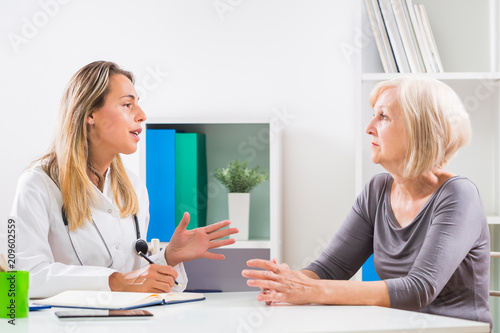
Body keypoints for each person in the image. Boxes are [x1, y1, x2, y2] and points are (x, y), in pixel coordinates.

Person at [242, 76, 492, 327]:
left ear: (419, 129)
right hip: (395, 327)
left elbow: (418, 289)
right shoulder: (378, 190)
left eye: (383, 116)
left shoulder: (459, 195)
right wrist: (286, 283)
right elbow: (331, 268)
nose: (369, 127)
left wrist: (309, 289)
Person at [11, 61, 238, 298]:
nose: (141, 115)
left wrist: (169, 256)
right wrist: (114, 281)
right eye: (128, 104)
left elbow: (134, 277)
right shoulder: (38, 184)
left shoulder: (134, 188)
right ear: (90, 114)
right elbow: (22, 277)